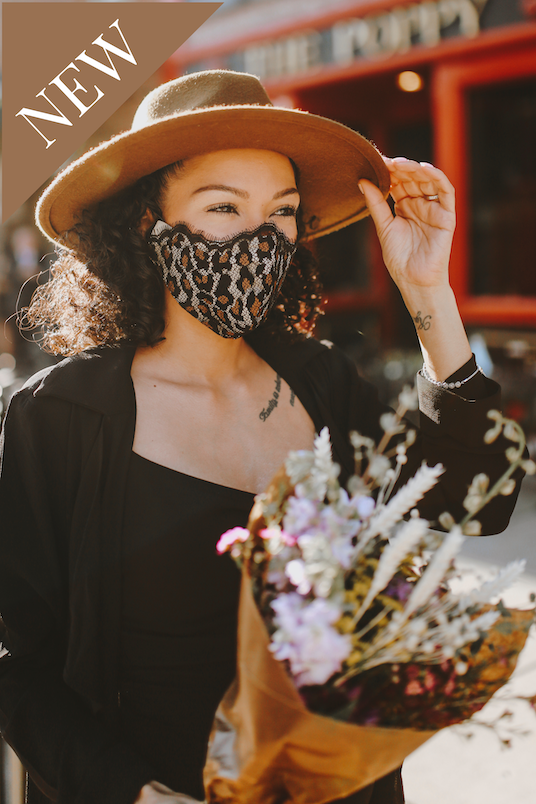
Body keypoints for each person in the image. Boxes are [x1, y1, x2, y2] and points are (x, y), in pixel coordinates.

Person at [0, 70, 522, 804]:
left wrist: (428, 291)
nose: (258, 238)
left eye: (281, 213)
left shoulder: (320, 380)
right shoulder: (59, 418)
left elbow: (477, 501)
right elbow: (19, 667)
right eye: (223, 207)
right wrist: (136, 795)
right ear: (146, 222)